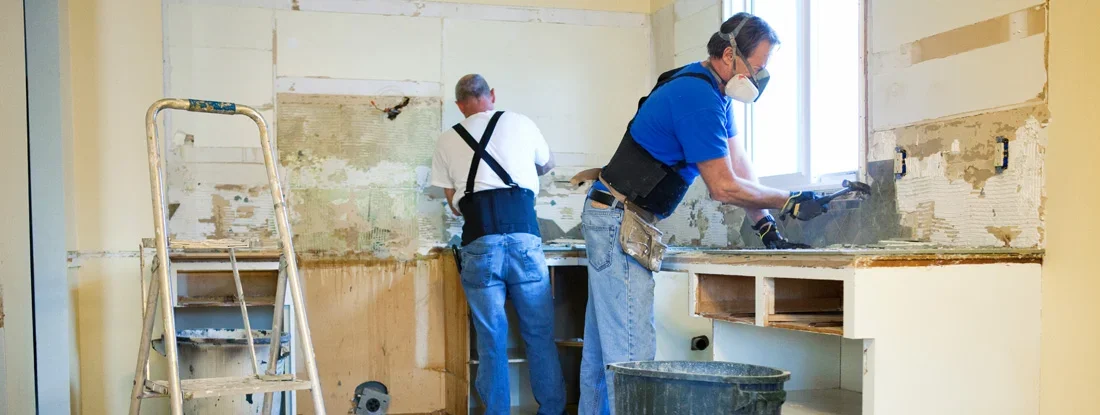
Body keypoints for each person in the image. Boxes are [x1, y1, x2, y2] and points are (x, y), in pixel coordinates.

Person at [573, 12, 831, 414]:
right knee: (632, 358)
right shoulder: (697, 98)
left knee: (604, 353)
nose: (761, 78)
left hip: (614, 216)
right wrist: (789, 200)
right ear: (730, 55)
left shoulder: (713, 91)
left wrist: (766, 227)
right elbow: (723, 186)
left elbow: (740, 168)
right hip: (619, 221)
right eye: (759, 67)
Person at [430, 74, 565, 415]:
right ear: (491, 95)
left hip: (480, 240)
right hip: (524, 235)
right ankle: (552, 410)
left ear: (459, 105)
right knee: (539, 334)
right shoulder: (520, 122)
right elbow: (547, 164)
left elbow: (452, 202)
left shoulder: (447, 140)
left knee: (491, 339)